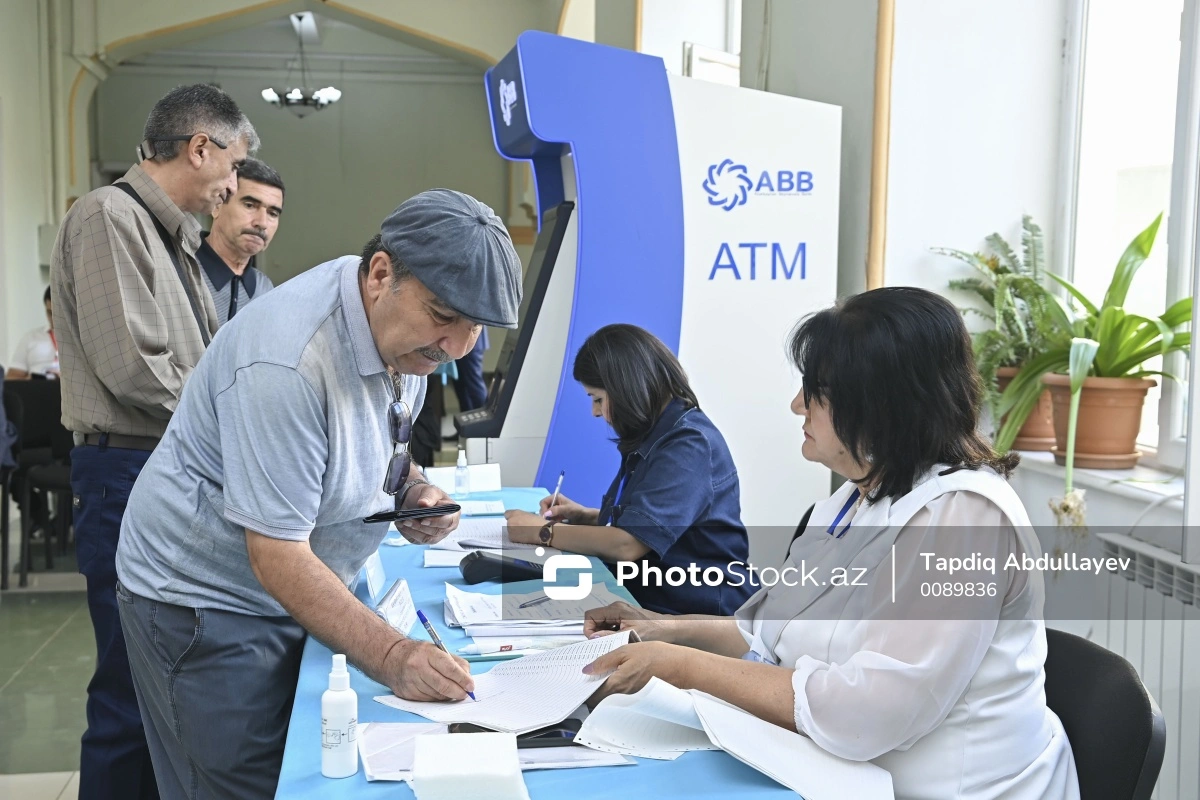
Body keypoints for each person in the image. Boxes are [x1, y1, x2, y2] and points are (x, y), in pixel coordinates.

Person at [581, 289, 1080, 800]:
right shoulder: (853, 499)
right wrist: (659, 630)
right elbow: (766, 632)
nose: (796, 404)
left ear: (879, 403)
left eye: (815, 390)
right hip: (833, 775)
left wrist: (680, 664)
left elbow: (869, 713)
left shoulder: (967, 522)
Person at [115, 189, 523, 799]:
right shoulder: (289, 362)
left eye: (476, 330)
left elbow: (379, 443)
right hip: (207, 600)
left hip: (289, 584)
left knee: (295, 765)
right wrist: (393, 657)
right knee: (237, 785)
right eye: (444, 316)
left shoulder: (399, 336)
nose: (457, 348)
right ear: (382, 274)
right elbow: (276, 552)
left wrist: (410, 489)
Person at [50, 83, 257, 800]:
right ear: (199, 148)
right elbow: (132, 365)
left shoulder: (173, 236)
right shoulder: (110, 216)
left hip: (160, 469)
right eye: (231, 169)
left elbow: (203, 360)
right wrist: (229, 424)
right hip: (125, 469)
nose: (233, 188)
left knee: (162, 679)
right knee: (128, 687)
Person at [506, 323, 753, 616]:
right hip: (653, 596)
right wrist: (585, 516)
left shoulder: (688, 445)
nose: (595, 412)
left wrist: (543, 532)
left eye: (598, 399)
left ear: (627, 389)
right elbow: (654, 523)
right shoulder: (654, 433)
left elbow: (628, 544)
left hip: (696, 610)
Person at [198, 157, 283, 326]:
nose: (262, 223)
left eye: (273, 213)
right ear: (217, 206)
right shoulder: (179, 268)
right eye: (250, 205)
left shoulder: (266, 289)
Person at [5, 287, 59, 379]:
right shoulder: (31, 338)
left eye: (57, 313)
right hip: (36, 388)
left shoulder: (79, 338)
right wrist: (29, 379)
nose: (53, 319)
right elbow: (11, 378)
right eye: (49, 313)